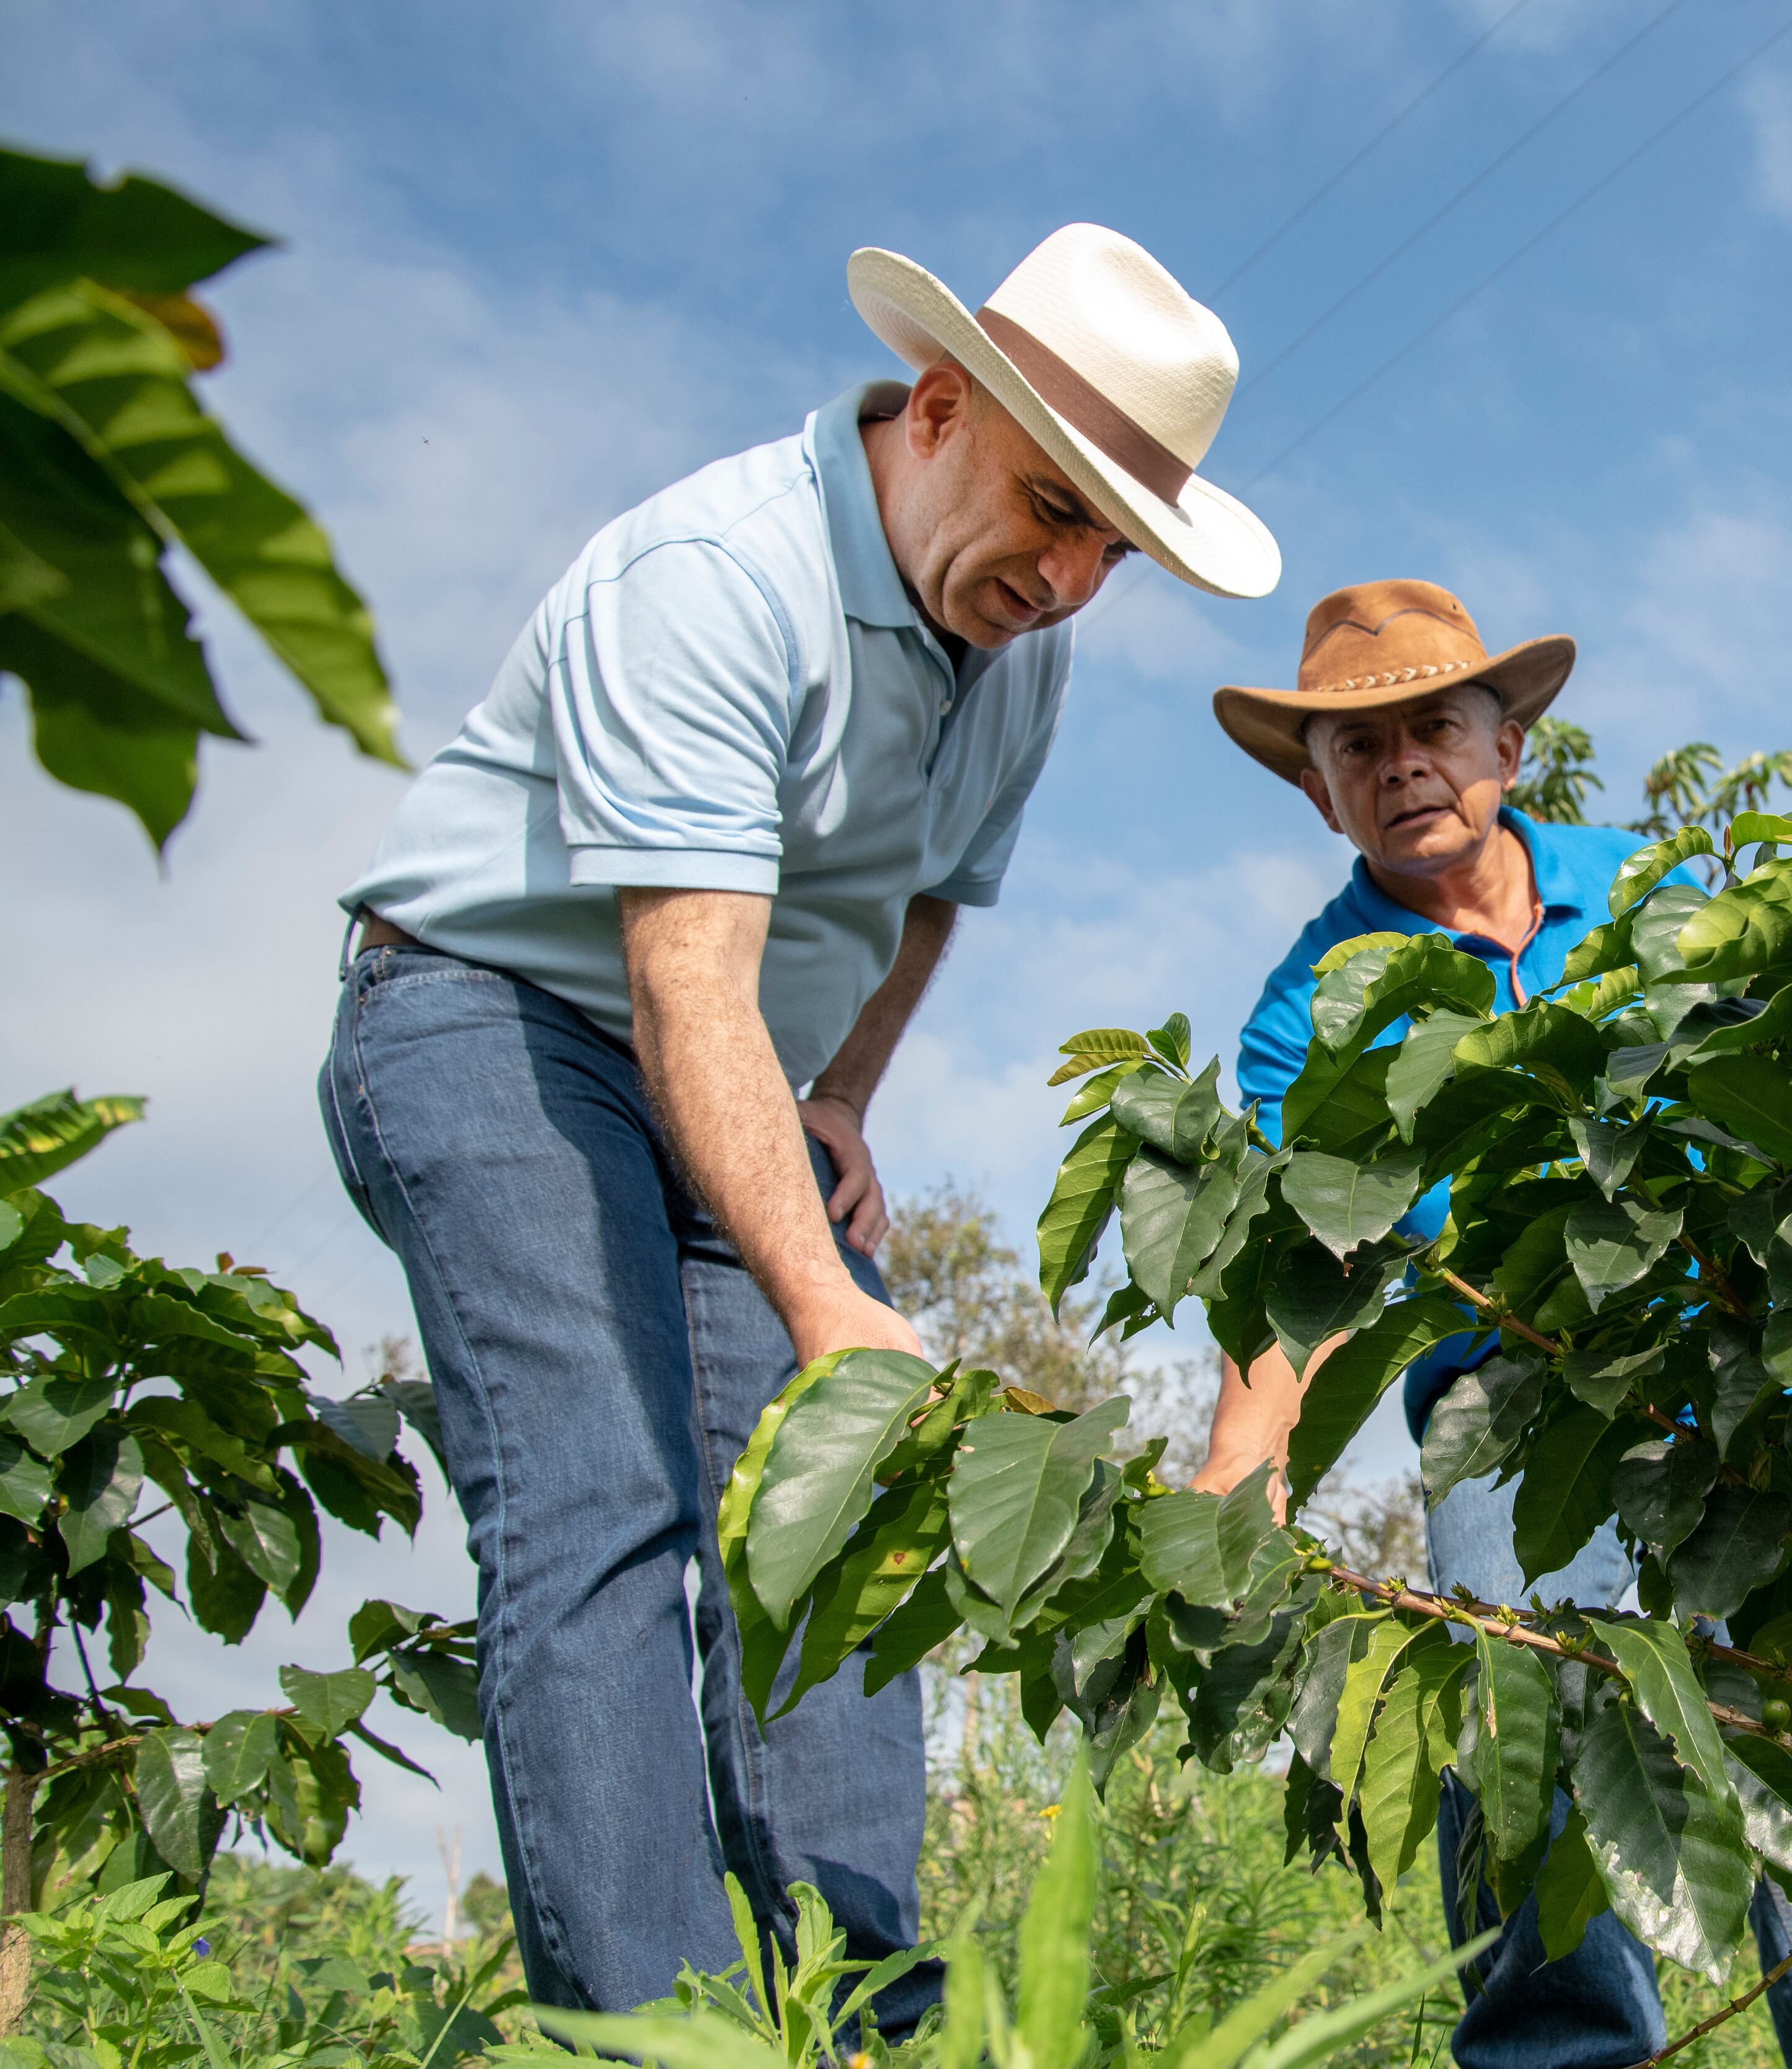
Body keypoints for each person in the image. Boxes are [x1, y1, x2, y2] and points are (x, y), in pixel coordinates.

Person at [317, 226, 1278, 2023]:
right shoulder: (714, 578)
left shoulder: (1023, 652)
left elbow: (928, 896)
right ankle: (662, 2040)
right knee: (610, 1500)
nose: (1068, 575)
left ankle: (866, 2030)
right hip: (492, 1015)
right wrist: (837, 1309)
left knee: (834, 1524)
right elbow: (682, 988)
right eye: (1051, 506)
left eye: (1109, 546)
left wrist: (843, 1091)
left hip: (738, 1060)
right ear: (934, 408)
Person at [1192, 580, 1792, 2069]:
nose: (1403, 764)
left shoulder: (1662, 890)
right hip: (1511, 1408)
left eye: (1434, 727)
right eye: (1360, 748)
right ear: (1320, 791)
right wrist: (1239, 1468)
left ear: (1508, 746)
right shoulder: (1309, 1007)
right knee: (1513, 1723)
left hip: (1732, 1370)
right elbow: (1296, 1265)